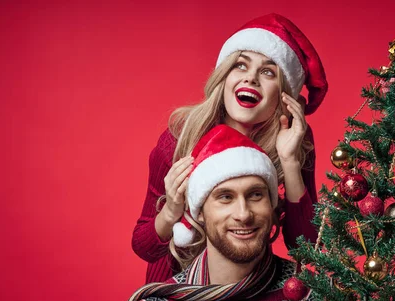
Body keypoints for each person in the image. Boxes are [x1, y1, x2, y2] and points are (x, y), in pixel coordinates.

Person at [113, 125, 377, 301]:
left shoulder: (314, 298)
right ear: (199, 213)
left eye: (255, 195)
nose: (243, 214)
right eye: (225, 197)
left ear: (274, 207)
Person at [131, 14, 328, 283]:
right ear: (224, 77)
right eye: (240, 66)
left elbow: (306, 248)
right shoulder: (178, 139)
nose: (251, 79)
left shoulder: (296, 139)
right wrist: (170, 211)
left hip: (250, 289)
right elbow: (143, 247)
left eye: (268, 71)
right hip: (175, 291)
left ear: (285, 93)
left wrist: (290, 161)